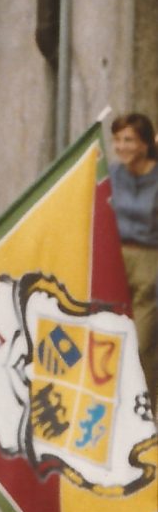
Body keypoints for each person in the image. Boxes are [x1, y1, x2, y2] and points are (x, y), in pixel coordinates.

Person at [109, 110, 158, 406]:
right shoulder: (111, 173)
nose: (121, 146)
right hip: (115, 257)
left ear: (143, 144)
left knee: (143, 341)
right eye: (117, 139)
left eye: (128, 140)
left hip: (149, 262)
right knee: (111, 337)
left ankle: (146, 406)